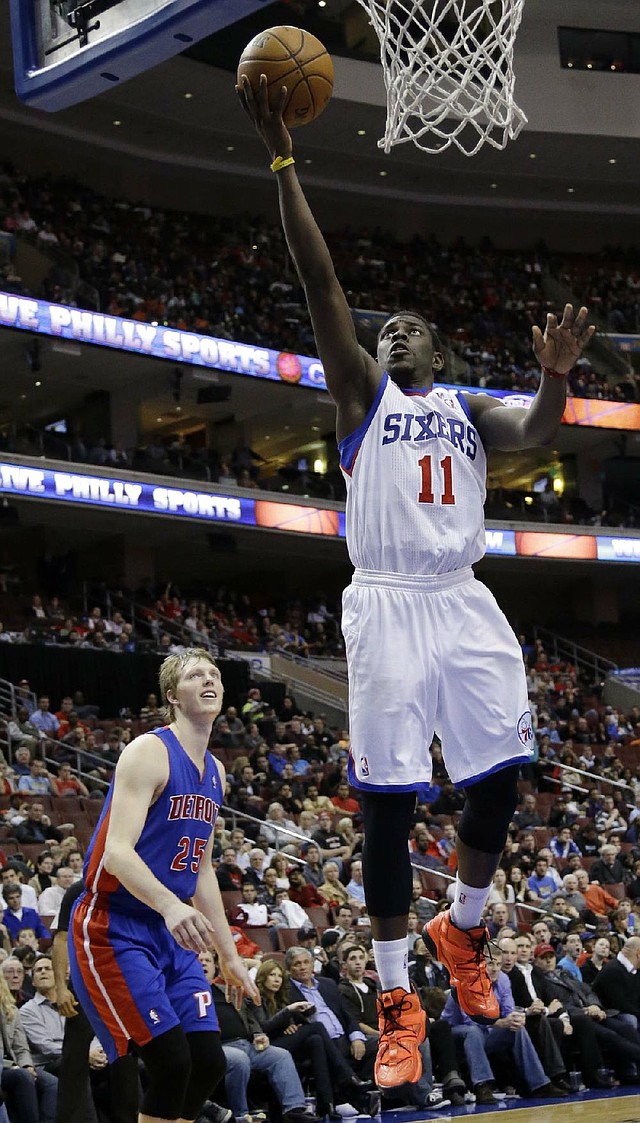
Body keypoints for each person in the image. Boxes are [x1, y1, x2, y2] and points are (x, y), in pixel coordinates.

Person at [238, 72, 595, 1089]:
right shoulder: (359, 399)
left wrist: (557, 378)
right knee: (390, 805)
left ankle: (463, 928)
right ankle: (397, 1000)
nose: (390, 334)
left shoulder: (476, 413)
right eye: (380, 329)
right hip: (387, 600)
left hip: (464, 596)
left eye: (409, 329)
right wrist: (282, 160)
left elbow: (533, 431)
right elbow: (319, 285)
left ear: (438, 349)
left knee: (501, 780)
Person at [68, 648, 259, 1123]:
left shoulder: (214, 772)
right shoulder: (148, 751)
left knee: (209, 1062)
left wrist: (230, 956)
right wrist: (172, 907)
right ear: (173, 696)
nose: (210, 679)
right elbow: (117, 852)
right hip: (115, 925)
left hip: (167, 931)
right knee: (171, 1065)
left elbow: (205, 871)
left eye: (214, 673)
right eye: (196, 675)